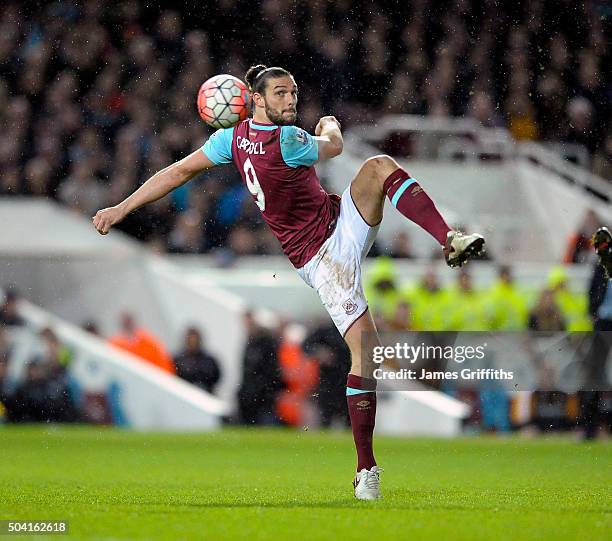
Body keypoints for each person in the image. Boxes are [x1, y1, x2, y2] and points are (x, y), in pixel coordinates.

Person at [92, 64, 485, 500]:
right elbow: (333, 146)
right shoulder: (291, 140)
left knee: (378, 167)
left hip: (340, 220)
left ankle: (449, 238)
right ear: (255, 100)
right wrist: (331, 124)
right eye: (280, 93)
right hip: (323, 259)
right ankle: (366, 469)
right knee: (366, 353)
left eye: (293, 92)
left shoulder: (230, 140)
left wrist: (120, 208)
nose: (290, 100)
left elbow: (177, 173)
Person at [174, 327, 221, 393]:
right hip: (182, 393)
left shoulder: (209, 360)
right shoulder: (178, 360)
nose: (192, 342)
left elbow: (215, 377)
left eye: (194, 340)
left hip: (204, 394)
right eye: (190, 340)